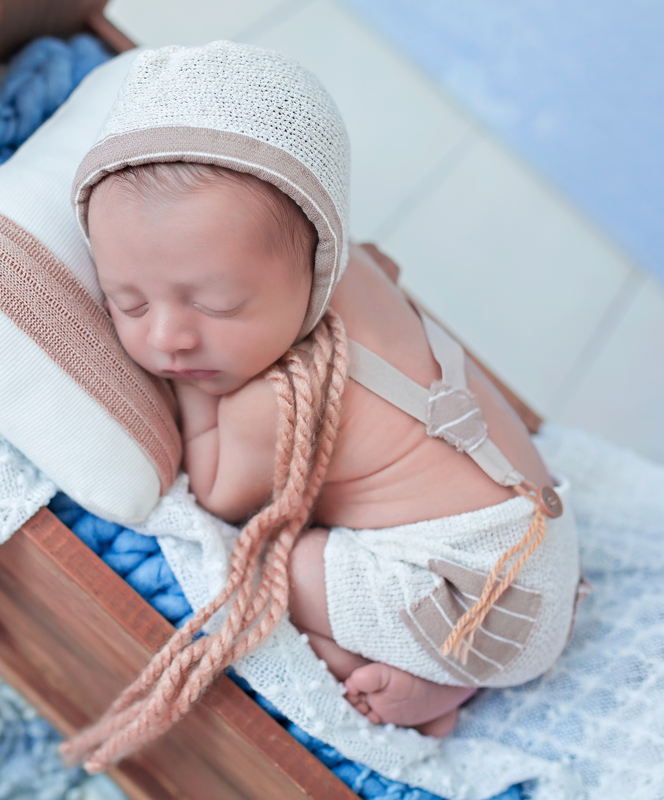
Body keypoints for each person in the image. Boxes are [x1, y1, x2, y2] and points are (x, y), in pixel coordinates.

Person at [62, 41, 584, 772]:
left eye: (216, 305)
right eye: (129, 302)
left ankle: (434, 681)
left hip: (478, 606)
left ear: (315, 263)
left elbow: (218, 496)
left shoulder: (278, 399)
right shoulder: (360, 264)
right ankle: (431, 657)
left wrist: (192, 391)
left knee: (268, 570)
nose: (168, 337)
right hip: (540, 547)